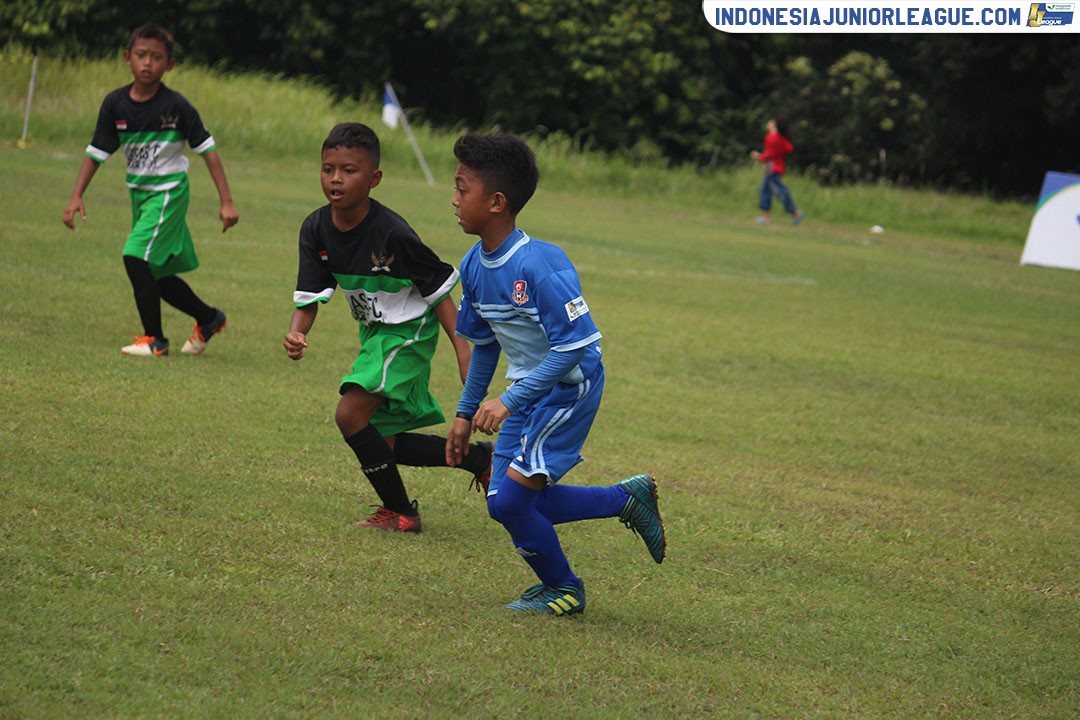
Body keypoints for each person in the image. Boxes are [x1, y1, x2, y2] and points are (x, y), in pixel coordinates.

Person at [445, 133, 667, 616]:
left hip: (569, 386)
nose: (454, 200)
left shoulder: (539, 264)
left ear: (497, 202)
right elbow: (483, 348)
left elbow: (574, 346)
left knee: (511, 504)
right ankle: (624, 500)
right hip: (528, 390)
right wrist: (464, 414)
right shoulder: (474, 266)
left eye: (463, 189)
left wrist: (509, 400)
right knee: (504, 501)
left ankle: (564, 588)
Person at [283, 122, 493, 533]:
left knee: (350, 414)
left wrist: (463, 352)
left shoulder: (392, 233)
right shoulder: (315, 228)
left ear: (374, 178)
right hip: (376, 335)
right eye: (328, 169)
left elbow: (440, 294)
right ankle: (478, 459)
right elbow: (311, 292)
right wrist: (297, 330)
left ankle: (401, 513)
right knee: (384, 440)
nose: (336, 179)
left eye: (349, 170)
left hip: (409, 332)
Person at [62, 22, 238, 356]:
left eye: (156, 57)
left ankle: (155, 340)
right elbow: (96, 152)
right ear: (127, 58)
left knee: (134, 255)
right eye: (141, 55)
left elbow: (209, 152)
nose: (147, 63)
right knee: (155, 274)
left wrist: (226, 202)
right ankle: (209, 318)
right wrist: (75, 195)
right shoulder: (115, 104)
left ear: (169, 64)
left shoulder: (177, 106)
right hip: (139, 195)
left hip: (169, 192)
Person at [751, 115, 803, 226]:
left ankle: (795, 213)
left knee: (779, 192)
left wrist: (758, 157)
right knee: (767, 191)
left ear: (774, 125)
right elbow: (789, 148)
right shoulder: (779, 137)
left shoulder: (771, 137)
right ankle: (767, 217)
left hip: (772, 169)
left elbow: (768, 156)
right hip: (777, 168)